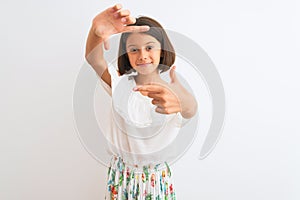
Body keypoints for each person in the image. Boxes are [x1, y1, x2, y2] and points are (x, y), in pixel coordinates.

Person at [85, 4, 197, 199]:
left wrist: (182, 102)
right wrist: (95, 31)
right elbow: (94, 59)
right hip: (121, 176)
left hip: (156, 179)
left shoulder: (172, 90)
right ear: (126, 54)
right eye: (134, 49)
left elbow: (190, 109)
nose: (143, 55)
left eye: (149, 47)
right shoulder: (119, 84)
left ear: (162, 49)